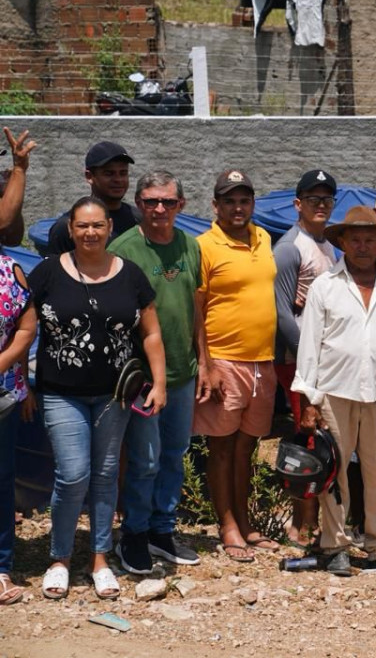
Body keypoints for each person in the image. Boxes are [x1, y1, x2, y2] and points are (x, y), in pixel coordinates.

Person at [32, 196, 167, 600]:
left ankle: (100, 559)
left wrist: (159, 383)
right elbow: (23, 329)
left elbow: (151, 333)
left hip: (115, 395)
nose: (90, 232)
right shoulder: (47, 273)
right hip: (61, 393)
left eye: (97, 225)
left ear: (109, 228)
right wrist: (20, 379)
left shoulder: (131, 275)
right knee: (73, 474)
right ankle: (59, 558)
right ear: (70, 230)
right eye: (82, 226)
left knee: (107, 475)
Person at [293, 206, 376, 575]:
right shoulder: (325, 285)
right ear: (343, 243)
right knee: (334, 471)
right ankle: (335, 546)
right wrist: (309, 399)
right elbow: (310, 344)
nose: (362, 246)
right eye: (355, 239)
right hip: (334, 390)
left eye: (369, 239)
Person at [110, 171, 203, 574]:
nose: (159, 208)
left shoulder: (190, 245)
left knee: (174, 454)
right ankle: (133, 534)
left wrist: (204, 362)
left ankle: (162, 531)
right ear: (139, 204)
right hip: (142, 378)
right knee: (145, 460)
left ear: (181, 205)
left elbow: (195, 307)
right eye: (150, 201)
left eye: (167, 201)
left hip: (183, 371)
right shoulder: (123, 250)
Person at [193, 170, 279, 563]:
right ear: (216, 205)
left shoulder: (264, 238)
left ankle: (245, 522)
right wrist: (206, 363)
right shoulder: (204, 246)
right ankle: (227, 525)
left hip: (263, 361)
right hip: (224, 360)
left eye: (244, 200)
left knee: (248, 446)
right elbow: (197, 308)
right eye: (229, 201)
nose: (238, 207)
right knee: (222, 446)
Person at [273, 169, 338, 546]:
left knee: (323, 437)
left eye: (327, 199)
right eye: (313, 199)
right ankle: (300, 524)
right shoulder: (290, 247)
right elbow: (282, 312)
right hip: (298, 358)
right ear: (298, 204)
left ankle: (318, 520)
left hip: (325, 357)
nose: (320, 205)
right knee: (307, 437)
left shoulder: (327, 245)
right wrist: (308, 359)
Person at [0, 128, 34, 606]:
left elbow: (26, 328)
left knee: (1, 480)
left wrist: (21, 168)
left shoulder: (10, 270)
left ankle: (1, 567)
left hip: (2, 394)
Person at [46, 141, 140, 255]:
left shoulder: (139, 220)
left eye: (123, 173)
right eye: (109, 173)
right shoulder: (66, 227)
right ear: (89, 176)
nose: (118, 180)